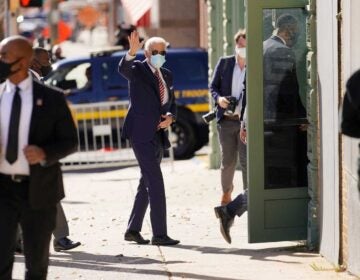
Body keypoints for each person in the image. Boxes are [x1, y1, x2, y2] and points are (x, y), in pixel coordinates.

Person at [214, 14, 307, 244]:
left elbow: (248, 91)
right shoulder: (281, 52)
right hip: (279, 127)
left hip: (259, 125)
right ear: (288, 29)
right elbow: (287, 92)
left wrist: (245, 122)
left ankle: (230, 210)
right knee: (276, 180)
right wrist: (301, 117)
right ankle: (232, 210)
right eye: (295, 29)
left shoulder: (259, 48)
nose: (297, 35)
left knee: (267, 180)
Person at [0, 36, 78, 279]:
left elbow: (70, 141)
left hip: (39, 191)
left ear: (23, 61)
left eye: (4, 56)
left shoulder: (52, 98)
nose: (0, 61)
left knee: (36, 264)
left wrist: (45, 153)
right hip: (2, 192)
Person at [118, 31, 180, 246]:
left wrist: (171, 116)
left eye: (163, 52)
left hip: (158, 134)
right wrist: (130, 53)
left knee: (146, 182)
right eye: (156, 52)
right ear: (146, 52)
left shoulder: (168, 74)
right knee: (155, 182)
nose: (160, 55)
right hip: (140, 133)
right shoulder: (137, 69)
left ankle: (133, 230)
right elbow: (123, 68)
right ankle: (159, 234)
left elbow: (171, 103)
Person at [30, 47, 82, 252]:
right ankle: (58, 238)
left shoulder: (35, 79)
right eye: (46, 60)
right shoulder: (26, 81)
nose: (49, 63)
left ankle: (59, 238)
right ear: (34, 62)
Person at [210, 29, 247, 207]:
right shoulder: (225, 63)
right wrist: (219, 99)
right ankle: (226, 193)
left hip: (244, 123)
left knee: (247, 160)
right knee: (228, 160)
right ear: (236, 44)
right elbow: (213, 87)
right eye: (240, 45)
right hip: (226, 121)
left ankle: (249, 195)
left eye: (246, 45)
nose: (242, 48)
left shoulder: (254, 66)